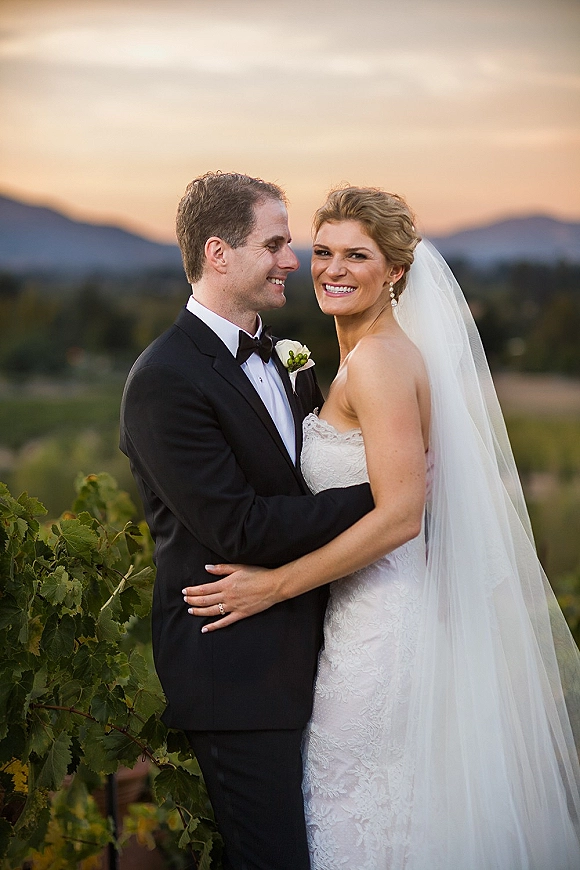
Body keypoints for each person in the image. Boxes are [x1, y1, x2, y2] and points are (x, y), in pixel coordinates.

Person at [184, 186, 580, 869]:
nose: (333, 269)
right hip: (361, 616)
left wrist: (274, 586)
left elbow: (400, 515)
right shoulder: (366, 356)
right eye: (321, 252)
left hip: (380, 626)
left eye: (357, 256)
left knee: (361, 817)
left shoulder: (380, 364)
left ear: (395, 270)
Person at [119, 172, 376, 870]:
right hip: (235, 671)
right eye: (276, 244)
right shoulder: (163, 379)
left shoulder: (289, 358)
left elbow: (306, 480)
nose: (294, 261)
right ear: (218, 253)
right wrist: (385, 498)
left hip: (324, 658)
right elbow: (243, 527)